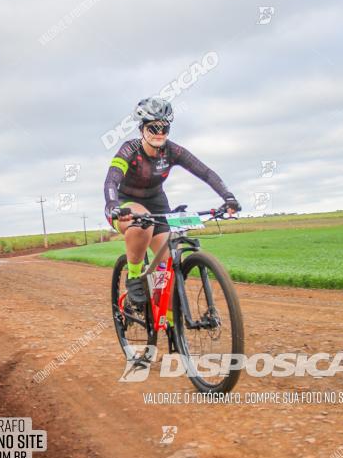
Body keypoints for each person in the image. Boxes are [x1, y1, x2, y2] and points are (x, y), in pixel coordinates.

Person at [103, 97, 241, 305]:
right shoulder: (129, 150)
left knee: (169, 262)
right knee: (143, 225)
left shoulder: (172, 151)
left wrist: (228, 197)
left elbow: (205, 172)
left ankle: (167, 317)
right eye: (153, 128)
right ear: (142, 129)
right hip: (124, 204)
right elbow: (111, 180)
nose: (159, 133)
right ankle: (133, 277)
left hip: (157, 203)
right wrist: (114, 205)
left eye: (164, 129)